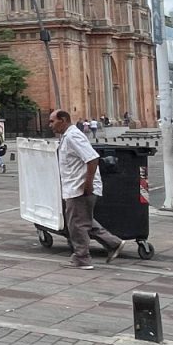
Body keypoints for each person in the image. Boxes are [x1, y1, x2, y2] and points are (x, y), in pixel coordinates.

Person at [53, 109, 123, 268]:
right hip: (74, 186)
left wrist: (88, 184)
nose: (51, 125)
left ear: (63, 119)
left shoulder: (73, 136)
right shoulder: (67, 137)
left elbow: (92, 159)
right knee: (83, 220)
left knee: (76, 224)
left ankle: (82, 258)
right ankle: (113, 243)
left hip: (80, 187)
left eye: (53, 121)